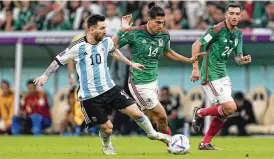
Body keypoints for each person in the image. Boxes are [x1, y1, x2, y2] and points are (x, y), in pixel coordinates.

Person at [34, 14, 171, 155]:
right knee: (108, 128)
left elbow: (115, 52)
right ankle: (106, 145)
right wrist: (45, 75)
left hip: (110, 88)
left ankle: (153, 134)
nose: (105, 31)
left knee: (136, 112)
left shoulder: (105, 41)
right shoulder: (77, 47)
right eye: (102, 28)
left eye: (105, 28)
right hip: (90, 96)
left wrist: (131, 63)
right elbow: (58, 60)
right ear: (92, 30)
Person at [112, 2, 204, 136]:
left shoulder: (164, 35)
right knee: (162, 115)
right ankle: (172, 142)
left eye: (163, 23)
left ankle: (130, 111)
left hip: (153, 81)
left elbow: (168, 52)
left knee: (155, 118)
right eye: (157, 22)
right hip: (138, 83)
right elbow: (112, 46)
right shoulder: (134, 33)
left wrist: (189, 60)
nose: (160, 26)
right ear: (148, 20)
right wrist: (122, 29)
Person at [191, 3, 252, 150]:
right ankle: (199, 113)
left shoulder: (238, 34)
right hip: (210, 74)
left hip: (223, 74)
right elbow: (196, 45)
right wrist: (195, 68)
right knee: (231, 107)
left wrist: (242, 60)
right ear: (226, 15)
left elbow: (237, 58)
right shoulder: (216, 29)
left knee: (225, 113)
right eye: (231, 13)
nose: (235, 16)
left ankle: (205, 143)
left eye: (238, 14)